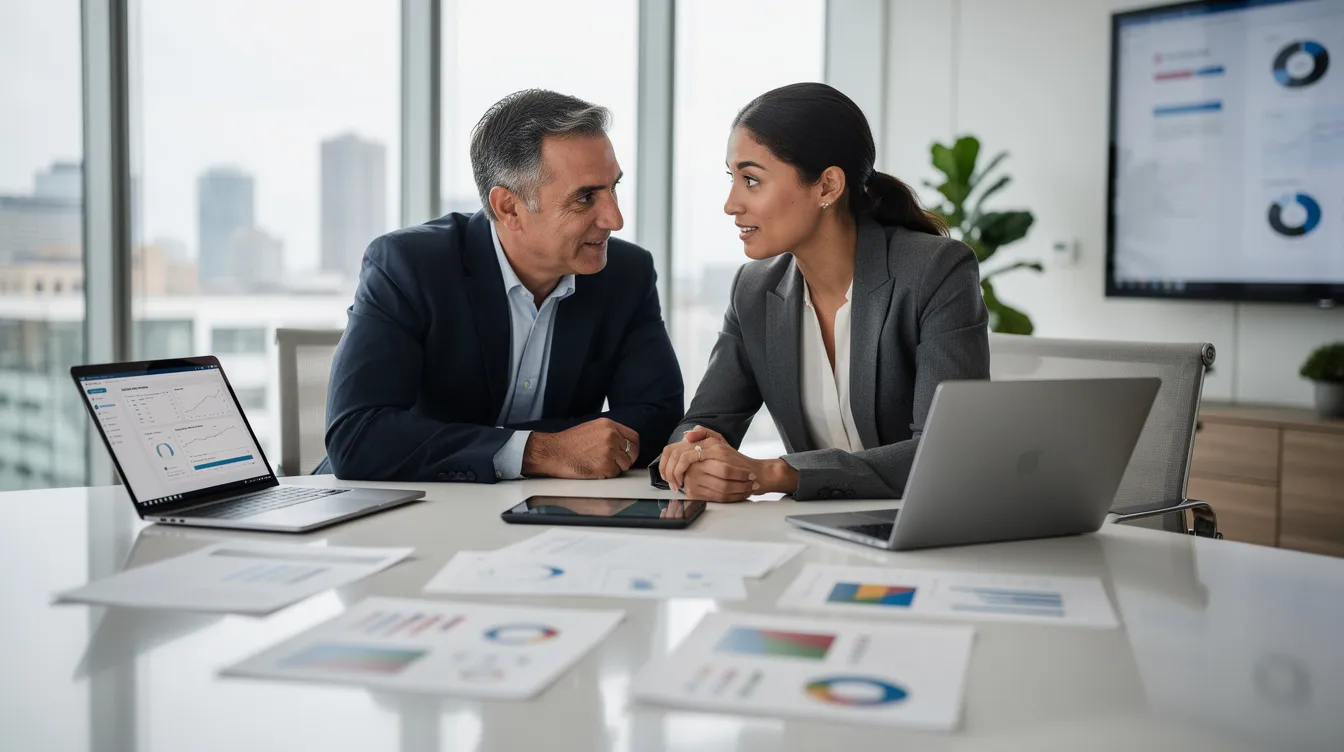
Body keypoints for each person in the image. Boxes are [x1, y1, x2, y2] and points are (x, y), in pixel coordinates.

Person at [322, 89, 683, 483]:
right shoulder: (410, 265)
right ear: (509, 208)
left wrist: (492, 445)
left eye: (613, 188)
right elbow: (358, 436)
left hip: (545, 515)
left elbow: (659, 418)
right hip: (405, 510)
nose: (614, 218)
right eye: (585, 197)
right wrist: (541, 451)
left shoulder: (626, 273)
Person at [658, 82, 989, 502]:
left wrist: (781, 473)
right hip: (810, 530)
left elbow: (945, 453)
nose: (731, 203)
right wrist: (693, 453)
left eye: (751, 180)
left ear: (828, 186)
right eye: (733, 178)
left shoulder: (935, 271)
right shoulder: (753, 289)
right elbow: (707, 421)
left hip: (923, 527)